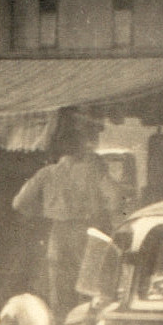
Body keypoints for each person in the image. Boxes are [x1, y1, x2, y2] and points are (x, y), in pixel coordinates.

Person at [9, 120, 121, 313]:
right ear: (79, 149)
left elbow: (18, 203)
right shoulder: (93, 171)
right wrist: (104, 212)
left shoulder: (46, 173)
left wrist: (41, 212)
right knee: (87, 281)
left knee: (59, 283)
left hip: (58, 231)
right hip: (87, 231)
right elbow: (115, 197)